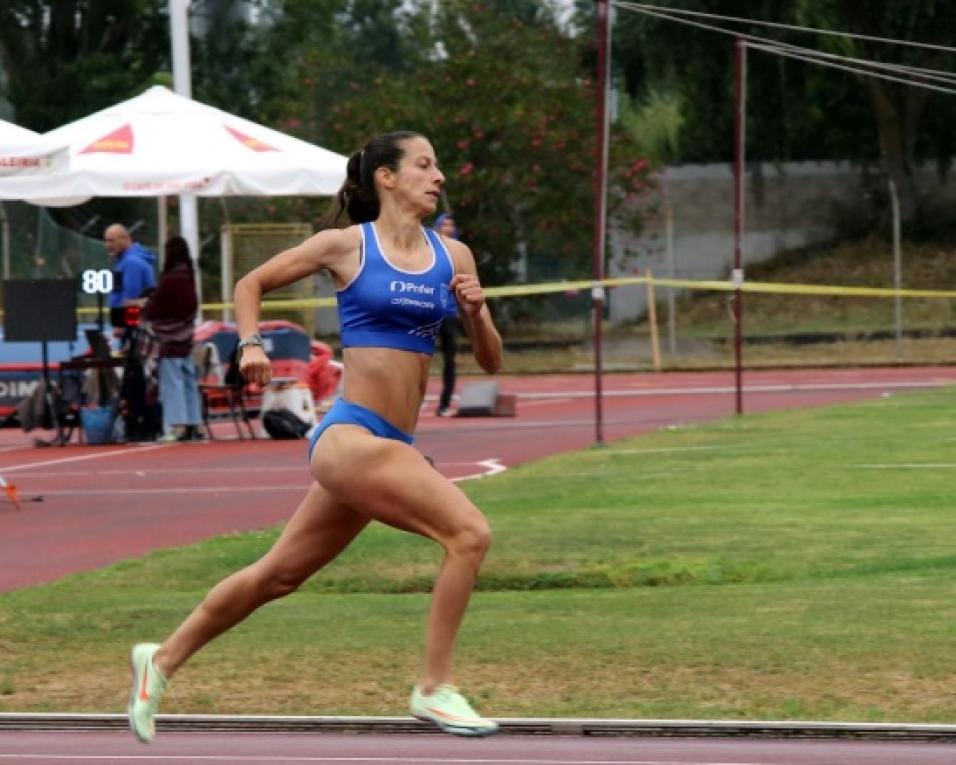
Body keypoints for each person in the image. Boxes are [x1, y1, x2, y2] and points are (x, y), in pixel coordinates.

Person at [127, 131, 503, 741]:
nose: (439, 177)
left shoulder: (453, 257)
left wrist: (476, 313)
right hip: (351, 436)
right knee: (468, 534)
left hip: (390, 445)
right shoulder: (346, 246)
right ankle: (434, 688)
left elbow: (491, 362)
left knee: (278, 575)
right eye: (425, 165)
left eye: (439, 166)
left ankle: (160, 660)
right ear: (386, 177)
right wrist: (249, 345)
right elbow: (250, 285)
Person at [143, 236, 203, 442]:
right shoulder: (189, 276)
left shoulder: (169, 280)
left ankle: (177, 426)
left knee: (173, 383)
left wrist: (147, 304)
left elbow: (157, 308)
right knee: (189, 382)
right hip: (186, 338)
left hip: (169, 341)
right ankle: (195, 423)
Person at [104, 224, 156, 334]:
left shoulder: (131, 262)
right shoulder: (128, 260)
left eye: (112, 241)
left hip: (133, 332)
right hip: (135, 328)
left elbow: (131, 298)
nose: (108, 245)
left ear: (125, 239)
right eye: (106, 241)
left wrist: (123, 327)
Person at [433, 213, 459, 417]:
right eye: (445, 224)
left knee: (450, 360)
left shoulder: (459, 251)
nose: (448, 228)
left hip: (449, 314)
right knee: (417, 358)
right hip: (429, 311)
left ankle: (445, 402)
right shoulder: (429, 248)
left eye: (451, 224)